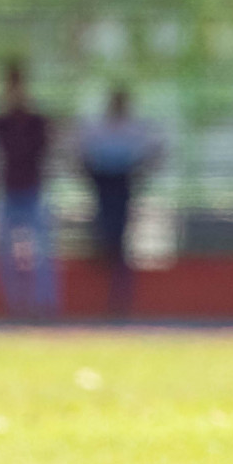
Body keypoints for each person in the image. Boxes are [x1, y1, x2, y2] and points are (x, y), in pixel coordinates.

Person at [79, 88, 163, 318]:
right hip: (103, 185)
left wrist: (141, 171)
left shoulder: (135, 129)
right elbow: (82, 154)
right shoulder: (98, 128)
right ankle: (106, 296)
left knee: (120, 240)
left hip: (123, 184)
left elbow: (157, 150)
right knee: (104, 236)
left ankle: (119, 299)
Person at [0, 63, 57, 317]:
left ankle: (44, 306)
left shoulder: (38, 122)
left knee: (42, 253)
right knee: (6, 254)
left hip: (34, 192)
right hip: (8, 191)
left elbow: (48, 152)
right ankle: (14, 306)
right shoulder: (1, 123)